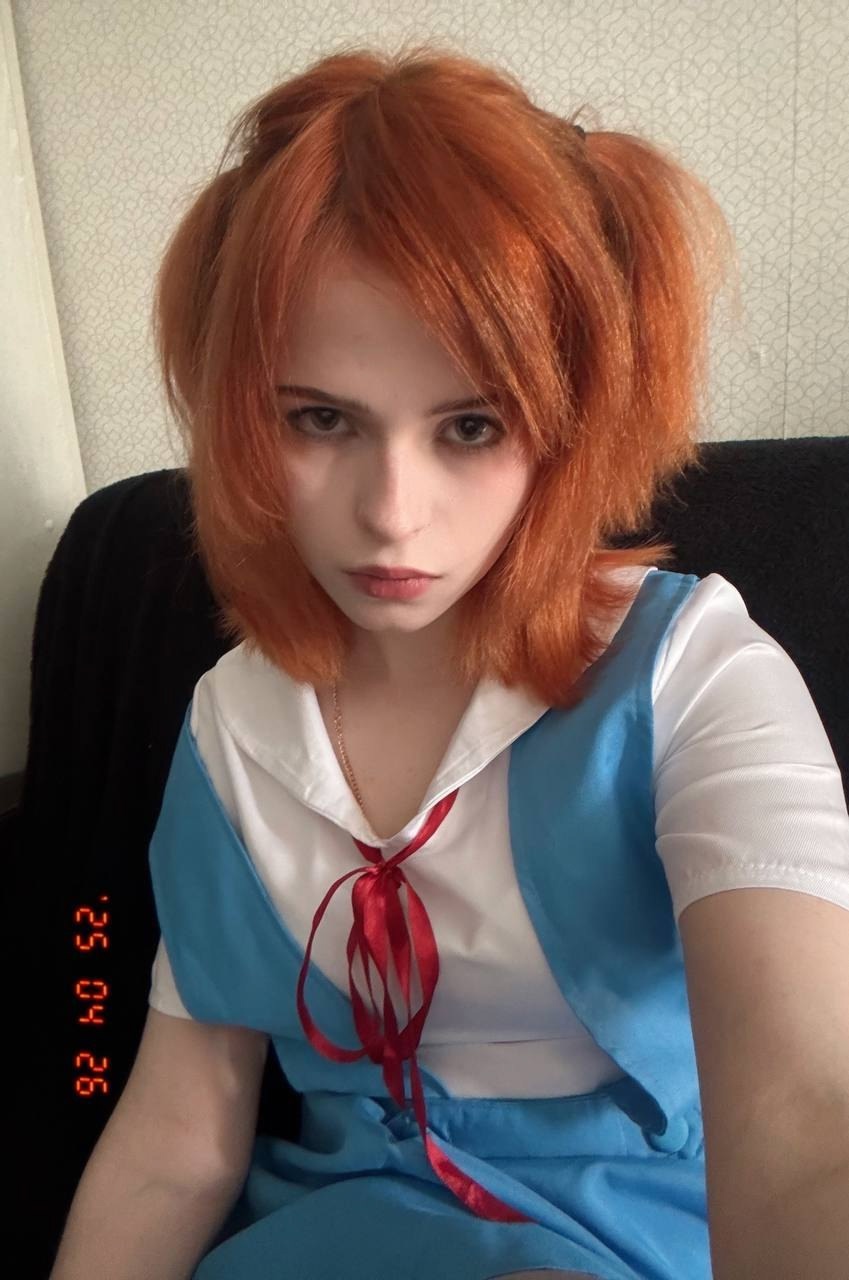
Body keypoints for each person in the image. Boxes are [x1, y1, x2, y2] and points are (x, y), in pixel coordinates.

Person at [50, 40, 849, 1280]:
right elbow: (175, 1139)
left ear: (568, 423)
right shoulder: (234, 727)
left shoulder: (695, 680)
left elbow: (800, 1119)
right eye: (322, 418)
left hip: (636, 1226)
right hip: (329, 1229)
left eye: (471, 424)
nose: (392, 514)